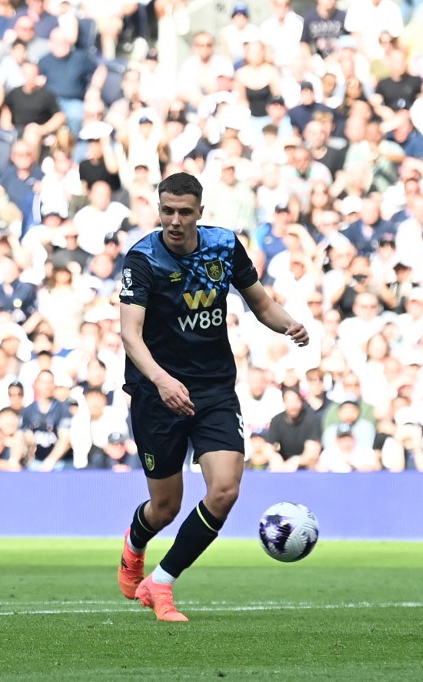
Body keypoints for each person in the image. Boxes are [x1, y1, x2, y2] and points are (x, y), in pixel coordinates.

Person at [116, 172, 309, 622]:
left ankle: (160, 584)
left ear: (200, 212)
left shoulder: (224, 245)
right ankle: (135, 544)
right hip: (156, 392)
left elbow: (259, 302)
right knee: (165, 507)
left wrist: (289, 324)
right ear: (158, 209)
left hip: (214, 389)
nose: (175, 220)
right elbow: (130, 334)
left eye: (185, 212)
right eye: (168, 211)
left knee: (224, 490)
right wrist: (163, 381)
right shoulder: (142, 259)